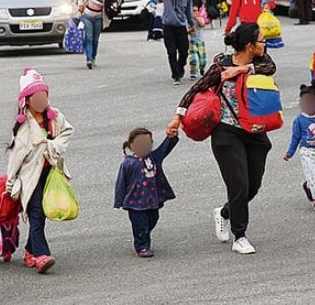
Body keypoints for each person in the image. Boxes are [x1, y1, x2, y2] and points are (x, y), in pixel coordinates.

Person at [166, 23, 276, 254]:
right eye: (261, 40)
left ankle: (225, 212)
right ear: (249, 45)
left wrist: (242, 70)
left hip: (254, 131)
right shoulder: (220, 65)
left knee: (253, 186)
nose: (265, 44)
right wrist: (177, 117)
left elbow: (271, 67)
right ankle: (240, 236)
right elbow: (195, 90)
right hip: (227, 132)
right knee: (238, 183)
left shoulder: (261, 61)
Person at [6, 68, 75, 274]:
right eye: (36, 97)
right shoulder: (24, 128)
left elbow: (68, 131)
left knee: (43, 213)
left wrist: (54, 146)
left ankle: (29, 250)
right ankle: (41, 255)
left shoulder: (55, 117)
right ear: (26, 101)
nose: (41, 101)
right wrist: (10, 182)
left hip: (50, 173)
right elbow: (15, 157)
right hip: (30, 177)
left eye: (43, 97)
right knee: (36, 214)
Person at [114, 128, 179, 258]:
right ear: (132, 145)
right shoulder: (128, 163)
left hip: (152, 199)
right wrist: (120, 200)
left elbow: (164, 149)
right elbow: (121, 182)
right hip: (135, 202)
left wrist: (171, 137)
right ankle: (142, 246)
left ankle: (143, 234)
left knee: (153, 219)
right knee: (140, 224)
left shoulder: (154, 157)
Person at [77, 0, 122, 69]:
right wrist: (80, 4)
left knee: (95, 40)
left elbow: (118, 2)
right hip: (87, 16)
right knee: (89, 37)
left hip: (98, 18)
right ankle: (88, 59)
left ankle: (93, 58)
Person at [159, 0, 194, 85]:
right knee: (172, 52)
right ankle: (176, 75)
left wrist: (191, 24)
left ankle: (180, 67)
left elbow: (188, 12)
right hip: (168, 27)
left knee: (184, 52)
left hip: (181, 27)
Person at [189, 1, 208, 79]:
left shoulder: (200, 18)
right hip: (192, 41)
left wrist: (196, 18)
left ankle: (202, 67)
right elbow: (186, 29)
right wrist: (190, 30)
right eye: (193, 11)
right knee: (193, 58)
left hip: (200, 41)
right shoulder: (188, 20)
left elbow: (202, 24)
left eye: (196, 11)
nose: (195, 12)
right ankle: (193, 73)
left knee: (202, 59)